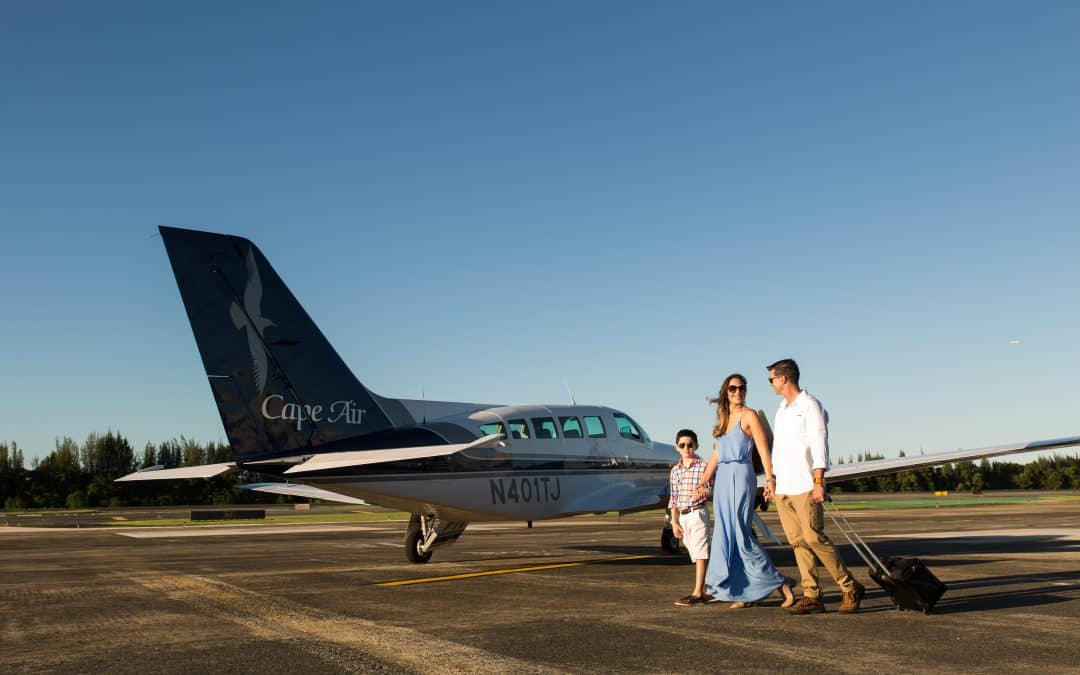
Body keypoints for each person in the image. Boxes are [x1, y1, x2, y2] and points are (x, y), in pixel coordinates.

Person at [767, 358, 865, 614]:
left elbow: (820, 445)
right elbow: (779, 449)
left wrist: (819, 481)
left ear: (784, 378)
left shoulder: (810, 406)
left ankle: (849, 586)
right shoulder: (781, 409)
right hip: (783, 487)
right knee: (798, 542)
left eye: (772, 379)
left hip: (805, 485)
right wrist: (772, 481)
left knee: (814, 538)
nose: (771, 384)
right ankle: (812, 594)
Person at [696, 373, 795, 608]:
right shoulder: (724, 418)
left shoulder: (749, 416)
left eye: (742, 388)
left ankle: (780, 583)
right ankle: (742, 591)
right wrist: (702, 483)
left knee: (741, 534)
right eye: (733, 388)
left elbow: (762, 450)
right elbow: (716, 455)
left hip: (741, 477)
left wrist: (770, 479)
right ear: (726, 392)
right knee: (725, 535)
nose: (738, 392)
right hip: (722, 481)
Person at [668, 429, 714, 606]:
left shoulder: (704, 467)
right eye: (683, 445)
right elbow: (674, 498)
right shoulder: (675, 471)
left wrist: (705, 491)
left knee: (701, 552)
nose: (687, 448)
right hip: (683, 516)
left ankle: (698, 593)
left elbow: (713, 489)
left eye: (690, 444)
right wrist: (675, 522)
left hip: (698, 512)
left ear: (696, 446)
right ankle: (709, 589)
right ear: (677, 447)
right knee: (695, 553)